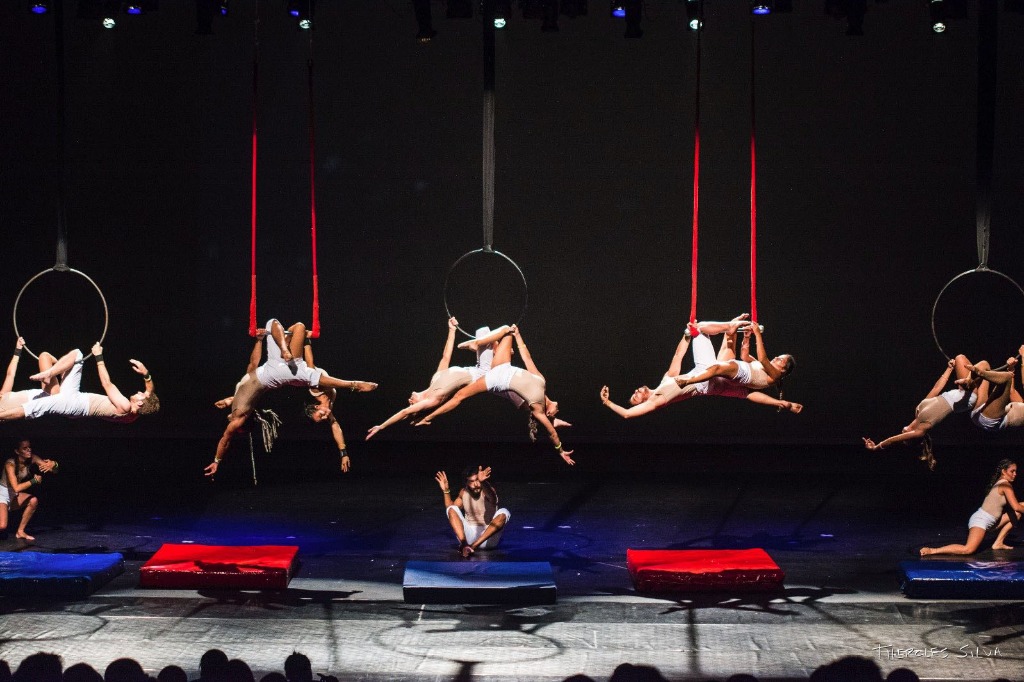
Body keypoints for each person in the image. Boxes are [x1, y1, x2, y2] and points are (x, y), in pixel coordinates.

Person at [206, 319, 377, 476]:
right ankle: (353, 384)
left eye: (320, 416)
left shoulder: (240, 404)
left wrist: (259, 340)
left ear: (316, 407)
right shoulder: (239, 417)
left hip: (274, 368)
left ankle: (284, 345)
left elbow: (252, 367)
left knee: (274, 323)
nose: (326, 416)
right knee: (300, 329)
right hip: (281, 373)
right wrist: (216, 460)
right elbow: (225, 440)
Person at [414, 325, 575, 465]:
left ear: (548, 414)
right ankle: (479, 344)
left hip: (497, 380)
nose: (558, 410)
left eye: (554, 415)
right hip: (504, 367)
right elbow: (527, 358)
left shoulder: (536, 408)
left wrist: (560, 450)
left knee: (460, 396)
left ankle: (428, 417)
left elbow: (552, 433)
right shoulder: (541, 382)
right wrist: (518, 335)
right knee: (504, 331)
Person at [600, 316, 803, 419]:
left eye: (634, 392)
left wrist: (687, 336)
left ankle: (730, 327)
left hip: (705, 374)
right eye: (636, 397)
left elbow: (678, 356)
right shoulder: (657, 401)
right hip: (704, 382)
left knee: (700, 330)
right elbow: (627, 414)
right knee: (726, 367)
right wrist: (607, 402)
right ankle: (731, 328)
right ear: (642, 402)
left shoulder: (665, 379)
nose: (636, 392)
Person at [366, 317, 490, 439]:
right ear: (419, 406)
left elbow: (446, 356)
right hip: (483, 372)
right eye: (411, 405)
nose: (409, 401)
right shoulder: (433, 399)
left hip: (476, 367)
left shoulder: (435, 379)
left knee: (482, 333)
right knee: (484, 333)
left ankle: (488, 345)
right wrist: (381, 426)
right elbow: (404, 412)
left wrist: (451, 330)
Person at [862, 355, 979, 470]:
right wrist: (875, 448)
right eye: (905, 438)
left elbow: (936, 389)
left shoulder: (918, 410)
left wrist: (949, 369)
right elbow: (891, 440)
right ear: (911, 437)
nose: (902, 435)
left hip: (960, 391)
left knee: (960, 359)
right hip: (967, 398)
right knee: (967, 362)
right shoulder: (920, 430)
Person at [0, 343, 157, 423]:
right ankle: (54, 371)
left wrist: (98, 357)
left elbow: (106, 383)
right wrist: (146, 374)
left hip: (72, 403)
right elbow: (150, 393)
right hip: (73, 400)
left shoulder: (126, 406)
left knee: (34, 408)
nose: (140, 392)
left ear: (141, 403)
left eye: (141, 394)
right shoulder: (134, 416)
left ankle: (51, 373)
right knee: (60, 356)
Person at [920, 458, 1023, 555]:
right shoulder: (1005, 485)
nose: (1015, 474)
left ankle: (998, 543)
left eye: (1015, 471)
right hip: (981, 520)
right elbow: (1016, 507)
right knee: (968, 550)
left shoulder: (1001, 483)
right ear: (1003, 471)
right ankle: (933, 550)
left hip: (993, 522)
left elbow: (1018, 507)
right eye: (1012, 471)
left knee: (1019, 510)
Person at [435, 466, 510, 558]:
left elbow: (492, 496)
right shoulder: (463, 492)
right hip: (469, 537)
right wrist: (446, 490)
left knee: (504, 512)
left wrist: (483, 482)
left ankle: (472, 547)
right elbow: (451, 511)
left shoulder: (487, 491)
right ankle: (464, 544)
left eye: (478, 480)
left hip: (488, 539)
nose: (476, 484)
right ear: (466, 482)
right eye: (472, 481)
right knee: (451, 509)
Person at [1, 439, 59, 542]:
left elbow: (53, 471)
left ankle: (20, 531)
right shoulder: (10, 464)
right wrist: (34, 481)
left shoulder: (33, 458)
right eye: (25, 448)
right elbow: (16, 488)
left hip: (13, 494)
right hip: (2, 494)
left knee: (33, 500)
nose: (29, 450)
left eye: (29, 447)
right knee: (2, 526)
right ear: (17, 451)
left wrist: (54, 464)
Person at [964, 348, 1024, 433]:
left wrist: (1023, 357)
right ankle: (968, 380)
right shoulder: (1021, 404)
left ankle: (980, 373)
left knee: (1007, 378)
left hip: (990, 420)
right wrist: (1011, 369)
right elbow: (1011, 391)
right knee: (985, 364)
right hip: (979, 413)